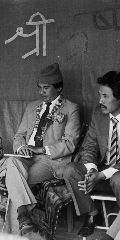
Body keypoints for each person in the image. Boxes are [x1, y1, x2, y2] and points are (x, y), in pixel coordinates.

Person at [11, 63, 81, 233]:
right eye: (40, 87)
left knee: (17, 179)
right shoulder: (31, 107)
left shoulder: (71, 109)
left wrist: (41, 150)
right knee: (12, 163)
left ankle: (22, 223)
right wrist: (22, 148)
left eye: (46, 88)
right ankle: (24, 218)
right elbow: (19, 135)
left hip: (50, 160)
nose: (41, 92)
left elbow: (70, 144)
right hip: (26, 156)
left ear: (59, 88)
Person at [63, 71, 120, 239]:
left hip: (117, 172)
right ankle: (93, 213)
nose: (100, 101)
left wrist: (101, 175)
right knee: (70, 170)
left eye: (105, 96)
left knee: (118, 178)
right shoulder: (99, 114)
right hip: (102, 166)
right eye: (99, 95)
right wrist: (91, 171)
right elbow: (89, 146)